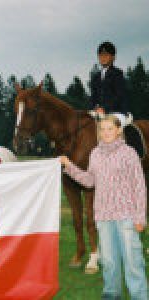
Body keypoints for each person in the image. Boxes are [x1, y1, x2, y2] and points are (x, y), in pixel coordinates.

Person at [60, 115, 147, 300]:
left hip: (127, 217)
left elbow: (139, 185)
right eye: (102, 129)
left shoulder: (129, 153)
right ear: (98, 132)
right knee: (109, 263)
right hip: (104, 218)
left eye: (110, 129)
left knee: (133, 263)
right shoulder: (95, 154)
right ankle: (111, 295)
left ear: (118, 131)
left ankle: (139, 296)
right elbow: (90, 181)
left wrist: (140, 217)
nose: (106, 132)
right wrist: (69, 166)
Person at [90, 41, 128, 126]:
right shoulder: (96, 77)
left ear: (113, 57)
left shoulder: (118, 73)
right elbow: (93, 97)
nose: (102, 57)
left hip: (116, 112)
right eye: (100, 55)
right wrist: (95, 108)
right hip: (99, 113)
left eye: (106, 55)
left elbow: (118, 96)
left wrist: (104, 109)